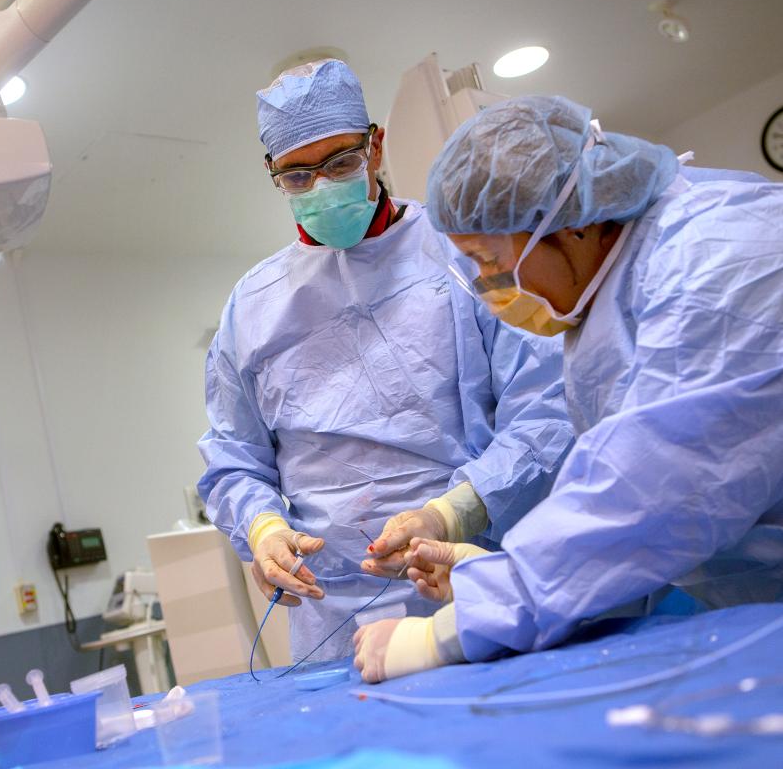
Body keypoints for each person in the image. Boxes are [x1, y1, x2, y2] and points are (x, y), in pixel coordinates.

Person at [353, 95, 783, 682]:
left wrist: (450, 630)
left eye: (489, 260)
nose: (490, 289)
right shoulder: (613, 294)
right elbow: (633, 502)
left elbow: (646, 498)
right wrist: (493, 575)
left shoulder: (718, 266)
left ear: (567, 225)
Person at [198, 63, 575, 660]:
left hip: (465, 575)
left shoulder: (462, 254)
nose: (322, 186)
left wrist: (452, 514)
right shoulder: (251, 306)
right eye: (298, 175)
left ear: (375, 147)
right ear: (273, 175)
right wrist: (262, 529)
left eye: (341, 163)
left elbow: (547, 410)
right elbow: (233, 460)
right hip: (327, 612)